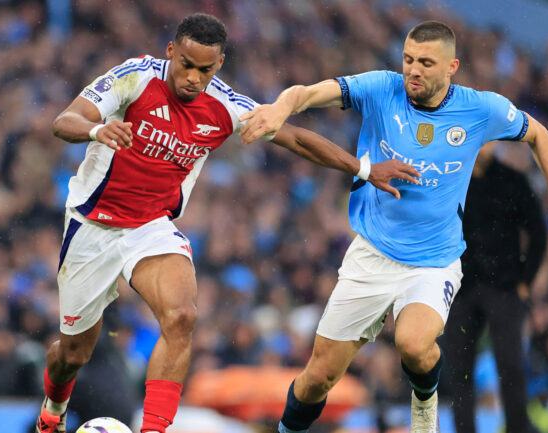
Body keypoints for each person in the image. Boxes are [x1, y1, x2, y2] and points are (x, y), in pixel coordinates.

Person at [36, 13, 417, 433]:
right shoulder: (134, 77)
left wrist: (363, 169)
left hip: (150, 227)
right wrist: (96, 131)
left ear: (218, 65)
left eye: (205, 69)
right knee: (73, 354)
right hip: (93, 224)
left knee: (181, 316)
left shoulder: (225, 105)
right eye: (186, 64)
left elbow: (294, 138)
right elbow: (63, 122)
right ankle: (53, 407)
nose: (193, 78)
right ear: (171, 53)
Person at [239, 20, 548, 433]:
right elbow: (307, 93)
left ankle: (424, 397)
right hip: (372, 254)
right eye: (408, 59)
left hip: (434, 262)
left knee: (413, 344)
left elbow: (540, 136)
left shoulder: (480, 109)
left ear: (451, 67)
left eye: (426, 62)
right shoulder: (380, 88)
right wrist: (281, 108)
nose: (413, 70)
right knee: (319, 377)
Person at [442, 141, 547, 433]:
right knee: (459, 369)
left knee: (510, 365)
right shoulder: (453, 180)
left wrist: (526, 280)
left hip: (504, 286)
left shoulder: (512, 180)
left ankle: (518, 428)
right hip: (461, 287)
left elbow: (538, 233)